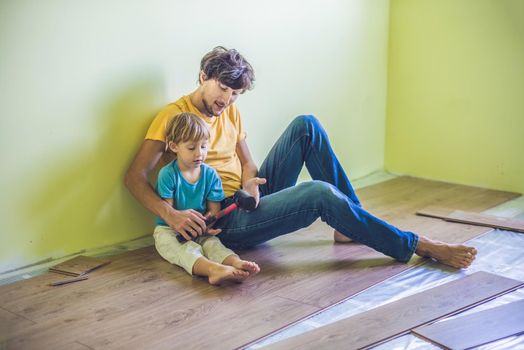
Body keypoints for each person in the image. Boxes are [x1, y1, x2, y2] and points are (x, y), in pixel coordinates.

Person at [125, 46, 477, 269]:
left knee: (306, 126)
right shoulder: (175, 117)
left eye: (235, 93)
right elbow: (135, 177)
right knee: (319, 193)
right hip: (224, 220)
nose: (227, 100)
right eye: (222, 89)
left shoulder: (229, 111)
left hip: (247, 199)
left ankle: (347, 226)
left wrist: (250, 178)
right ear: (204, 77)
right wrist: (170, 215)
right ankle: (415, 244)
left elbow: (248, 161)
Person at [152, 112, 260, 285]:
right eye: (191, 148)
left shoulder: (210, 174)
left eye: (203, 146)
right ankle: (213, 270)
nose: (199, 154)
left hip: (199, 228)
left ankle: (235, 263)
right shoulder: (168, 174)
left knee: (213, 244)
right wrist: (187, 228)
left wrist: (207, 225)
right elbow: (170, 214)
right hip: (170, 230)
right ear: (174, 147)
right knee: (184, 250)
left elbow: (214, 210)